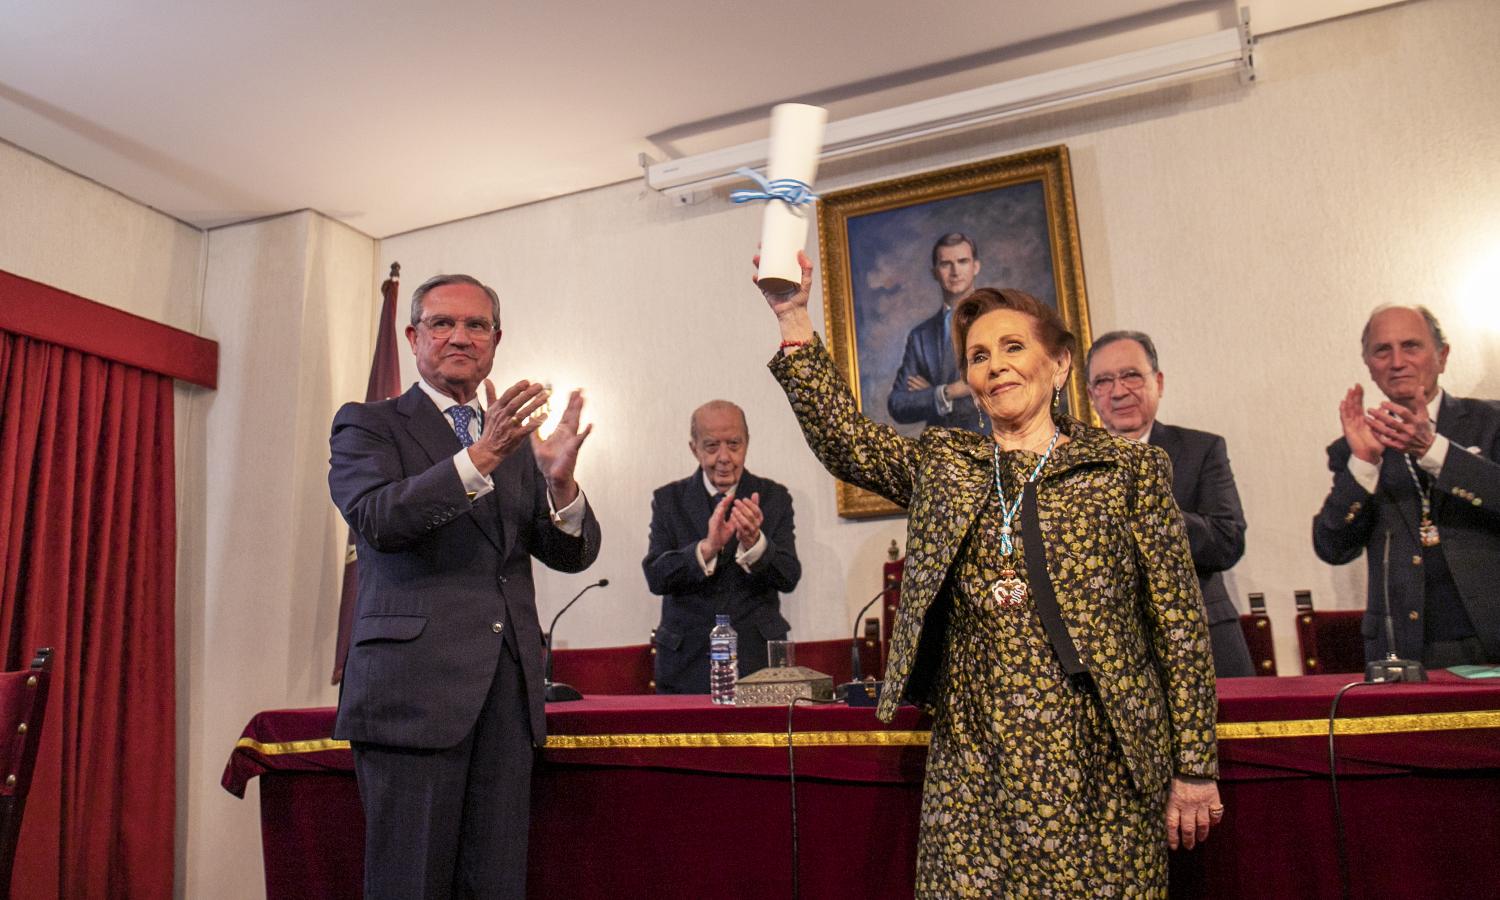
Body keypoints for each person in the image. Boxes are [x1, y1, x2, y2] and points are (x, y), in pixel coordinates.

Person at [759, 251, 1220, 896]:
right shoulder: (947, 462)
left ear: (1059, 364)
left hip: (1099, 759)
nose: (995, 364)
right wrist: (793, 316)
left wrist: (1194, 766)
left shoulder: (1126, 469)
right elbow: (846, 440)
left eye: (1011, 347)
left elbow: (1178, 622)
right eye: (978, 356)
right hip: (973, 763)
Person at [328, 273, 601, 899]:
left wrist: (559, 485)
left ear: (496, 340)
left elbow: (568, 555)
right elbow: (379, 519)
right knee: (411, 886)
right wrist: (479, 457)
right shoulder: (368, 424)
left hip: (506, 696)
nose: (460, 337)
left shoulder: (516, 438)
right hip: (411, 698)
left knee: (496, 885)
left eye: (476, 325)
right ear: (413, 336)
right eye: (443, 323)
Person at [1313, 304, 1500, 666]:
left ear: (1442, 356)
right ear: (1369, 363)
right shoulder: (1356, 448)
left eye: (1411, 346)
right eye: (1383, 350)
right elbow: (1332, 547)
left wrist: (1434, 450)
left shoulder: (1490, 423)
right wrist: (1364, 465)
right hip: (1406, 650)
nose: (1397, 361)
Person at [1086, 330, 1255, 678]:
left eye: (1131, 375)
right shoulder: (1074, 466)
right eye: (1103, 381)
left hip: (1202, 643)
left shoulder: (1202, 449)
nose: (1118, 391)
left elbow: (1228, 541)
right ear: (1091, 396)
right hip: (1114, 654)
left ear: (1158, 382)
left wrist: (1155, 511)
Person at [643, 400, 801, 692]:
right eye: (712, 446)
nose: (724, 457)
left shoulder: (774, 497)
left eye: (734, 444)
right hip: (686, 662)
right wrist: (706, 548)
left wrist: (755, 545)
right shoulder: (668, 500)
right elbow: (656, 575)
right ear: (695, 449)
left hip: (758, 661)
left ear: (747, 443)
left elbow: (789, 576)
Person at [887, 232, 991, 433]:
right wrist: (948, 391)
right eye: (945, 264)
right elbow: (898, 404)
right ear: (935, 272)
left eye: (962, 261)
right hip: (938, 454)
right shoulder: (920, 336)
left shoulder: (996, 319)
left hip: (989, 448)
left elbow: (998, 391)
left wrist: (929, 394)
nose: (955, 271)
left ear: (975, 266)